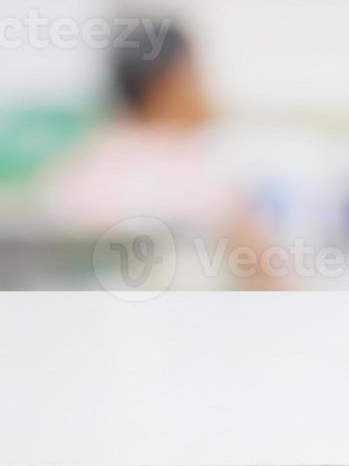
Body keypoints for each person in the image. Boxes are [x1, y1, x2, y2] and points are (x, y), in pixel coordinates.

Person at [41, 22, 284, 290]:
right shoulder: (194, 170)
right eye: (199, 74)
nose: (208, 89)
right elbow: (271, 278)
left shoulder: (85, 164)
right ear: (173, 81)